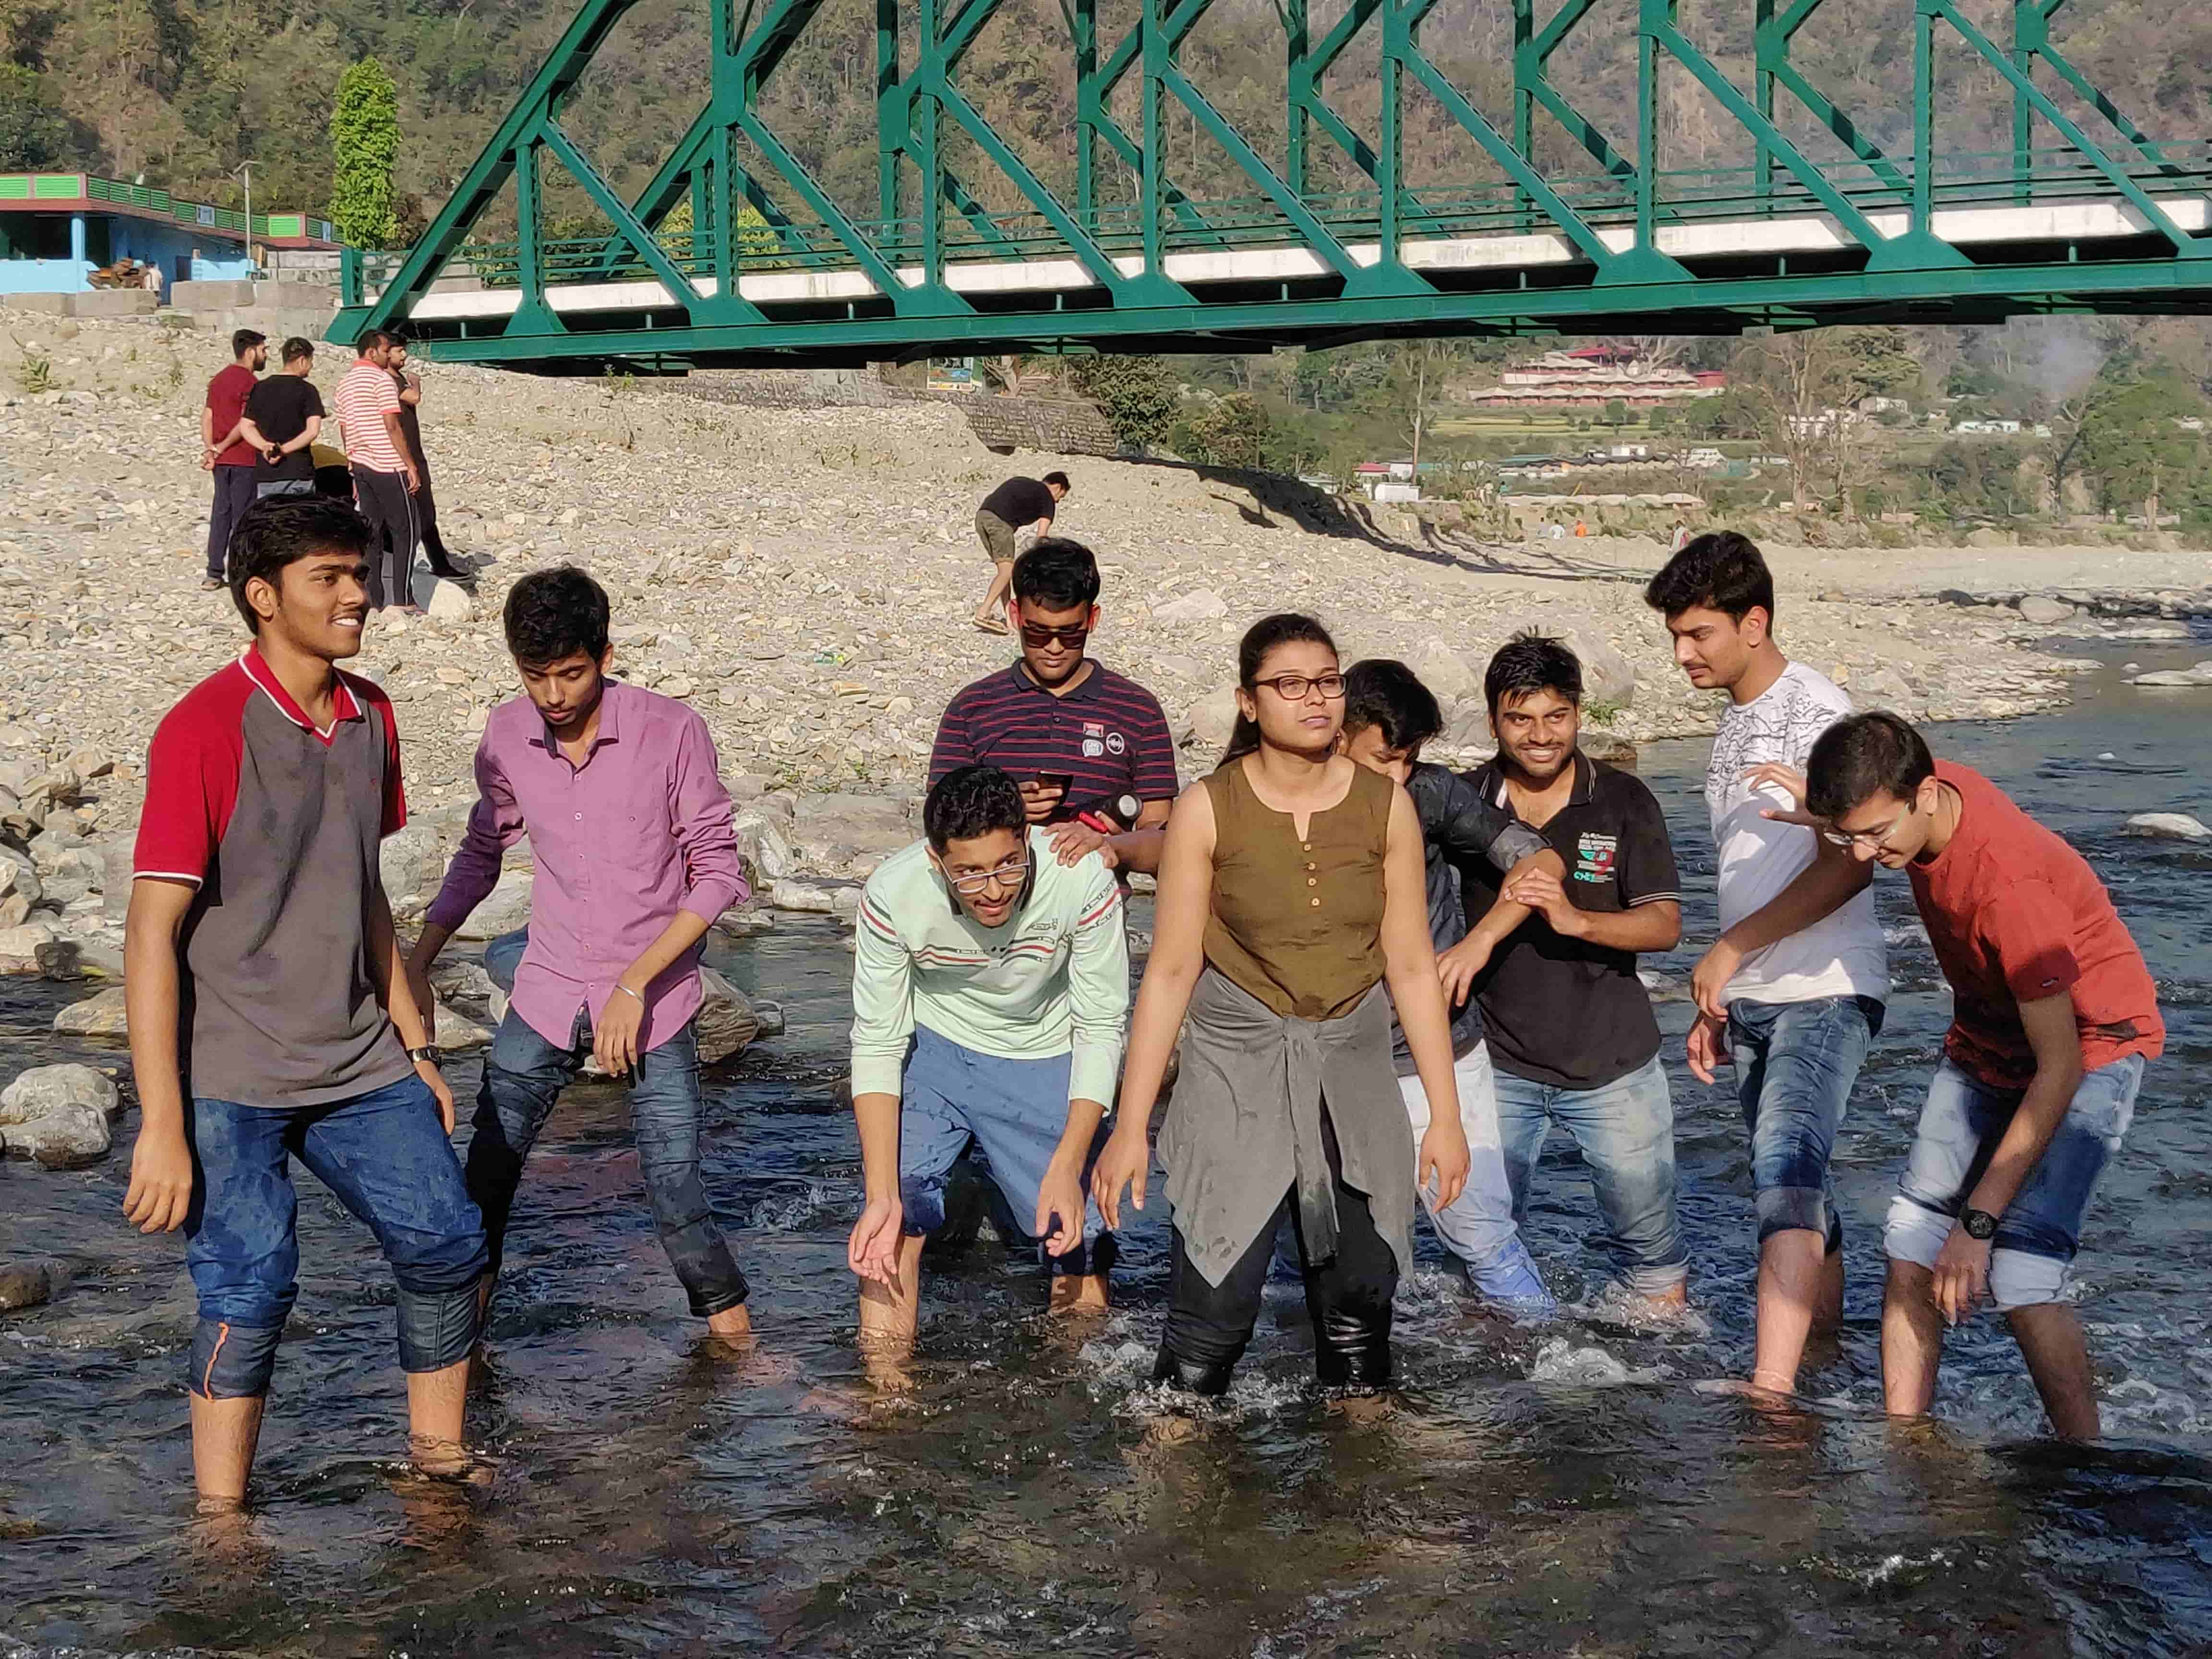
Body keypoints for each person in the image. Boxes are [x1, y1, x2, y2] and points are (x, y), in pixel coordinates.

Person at [120, 494, 485, 1510]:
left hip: (360, 1057)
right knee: (251, 1286)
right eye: (328, 578)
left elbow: (361, 889)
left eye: (358, 574)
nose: (356, 595)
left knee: (446, 1241)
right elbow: (149, 935)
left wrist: (417, 1046)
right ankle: (221, 1522)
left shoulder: (372, 716)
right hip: (229, 1071)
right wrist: (161, 1125)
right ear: (263, 597)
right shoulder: (203, 728)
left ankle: (437, 1467)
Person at [1092, 614, 1470, 1397]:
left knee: (1359, 1315)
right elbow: (1170, 972)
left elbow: (1409, 966)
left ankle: (1361, 1468)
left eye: (1327, 682)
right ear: (1249, 701)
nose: (1315, 699)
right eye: (1289, 685)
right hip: (1234, 1068)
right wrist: (1129, 1127)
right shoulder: (1207, 807)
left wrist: (1445, 1115)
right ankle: (1172, 1461)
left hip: (1353, 1071)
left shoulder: (1386, 806)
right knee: (1212, 1319)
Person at [406, 567, 754, 1343]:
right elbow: (482, 851)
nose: (554, 695)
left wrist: (634, 982)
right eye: (536, 676)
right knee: (486, 1179)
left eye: (571, 673)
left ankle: (741, 1355)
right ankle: (458, 1353)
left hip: (656, 1002)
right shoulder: (506, 736)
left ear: (605, 655)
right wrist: (419, 958)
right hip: (548, 988)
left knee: (675, 1195)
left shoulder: (671, 730)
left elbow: (719, 873)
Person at [1803, 713, 2162, 1439]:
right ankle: (1905, 1442)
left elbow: (2059, 1068)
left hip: (2093, 1042)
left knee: (2022, 1272)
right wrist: (1822, 817)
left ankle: (2085, 1461)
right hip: (1989, 1034)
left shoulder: (2010, 889)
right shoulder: (1919, 792)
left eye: (1875, 835)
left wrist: (1977, 1224)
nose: (1864, 855)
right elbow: (1867, 798)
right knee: (1910, 1239)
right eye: (1848, 837)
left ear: (1926, 795)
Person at [1644, 532, 1888, 1395]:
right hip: (1757, 992)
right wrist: (1723, 989)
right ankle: (1821, 1364)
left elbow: (1850, 862)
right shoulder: (1735, 718)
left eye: (1697, 635)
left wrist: (1729, 950)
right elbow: (1751, 867)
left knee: (1784, 1174)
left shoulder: (1817, 711)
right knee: (1799, 1182)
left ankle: (1770, 1395)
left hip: (1823, 988)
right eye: (1675, 637)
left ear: (1753, 623)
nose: (1682, 654)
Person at [845, 764, 1129, 1374]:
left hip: (1045, 1051)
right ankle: (886, 1392)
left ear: (1027, 840)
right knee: (897, 1219)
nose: (993, 890)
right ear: (936, 861)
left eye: (1007, 865)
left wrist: (1069, 1162)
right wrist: (879, 1194)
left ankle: (1070, 1394)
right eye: (969, 873)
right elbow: (877, 1043)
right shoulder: (892, 893)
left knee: (1075, 1241)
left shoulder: (1080, 878)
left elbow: (1101, 1026)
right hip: (936, 1050)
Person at [1438, 633, 1688, 1308]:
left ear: (1579, 713)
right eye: (1520, 719)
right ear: (1492, 721)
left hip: (1614, 1065)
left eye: (1556, 716)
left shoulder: (1624, 800)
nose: (1541, 736)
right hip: (1495, 1067)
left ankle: (1657, 1369)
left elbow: (1665, 925)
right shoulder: (1462, 801)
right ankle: (1488, 1368)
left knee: (1653, 1259)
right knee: (1477, 1252)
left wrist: (1579, 921)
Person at [1335, 659, 1559, 1316]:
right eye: (1384, 760)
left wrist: (1478, 942)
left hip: (1439, 1050)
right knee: (1332, 1244)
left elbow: (1541, 859)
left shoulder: (1429, 794)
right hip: (1331, 1056)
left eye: (1409, 759)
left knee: (1480, 1230)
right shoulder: (1288, 800)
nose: (1397, 777)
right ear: (1338, 736)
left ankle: (1543, 1349)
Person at [930, 537, 1178, 873]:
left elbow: (1166, 843)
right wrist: (1004, 810)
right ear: (1015, 615)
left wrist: (1112, 845)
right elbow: (938, 826)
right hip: (994, 899)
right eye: (1038, 633)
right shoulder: (971, 708)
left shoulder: (1139, 711)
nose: (1055, 647)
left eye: (1071, 633)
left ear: (1092, 619)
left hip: (1097, 899)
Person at [334, 329, 421, 613]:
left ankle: (374, 599)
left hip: (361, 463)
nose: (387, 356)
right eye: (385, 351)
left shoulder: (344, 383)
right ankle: (404, 599)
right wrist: (410, 465)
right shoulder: (382, 380)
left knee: (371, 532)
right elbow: (392, 425)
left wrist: (351, 464)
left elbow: (345, 428)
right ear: (372, 352)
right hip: (389, 464)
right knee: (407, 530)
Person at [387, 335, 468, 582]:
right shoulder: (388, 380)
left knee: (424, 513)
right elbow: (413, 398)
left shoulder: (395, 378)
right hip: (405, 457)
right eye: (399, 351)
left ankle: (435, 562)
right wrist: (415, 383)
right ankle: (413, 565)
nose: (404, 355)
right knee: (416, 512)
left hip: (413, 454)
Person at [199, 329, 266, 589]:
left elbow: (208, 416)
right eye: (263, 350)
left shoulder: (218, 380)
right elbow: (246, 423)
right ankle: (240, 572)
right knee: (243, 517)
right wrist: (222, 446)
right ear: (250, 351)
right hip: (244, 458)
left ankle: (214, 571)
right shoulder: (251, 383)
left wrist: (211, 449)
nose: (265, 355)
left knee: (221, 514)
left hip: (222, 461)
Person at [970, 471, 1069, 632]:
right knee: (1007, 572)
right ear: (1058, 488)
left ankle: (1009, 619)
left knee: (1004, 572)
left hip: (982, 517)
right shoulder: (1047, 498)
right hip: (1000, 524)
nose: (1058, 501)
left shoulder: (1023, 482)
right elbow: (1041, 537)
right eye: (1061, 497)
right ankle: (983, 613)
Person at [239, 337, 324, 503]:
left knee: (270, 518)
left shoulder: (260, 388)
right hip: (298, 472)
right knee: (299, 518)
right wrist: (283, 450)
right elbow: (312, 431)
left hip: (267, 475)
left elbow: (246, 426)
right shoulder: (308, 390)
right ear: (302, 360)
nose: (311, 366)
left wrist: (265, 446)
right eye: (310, 362)